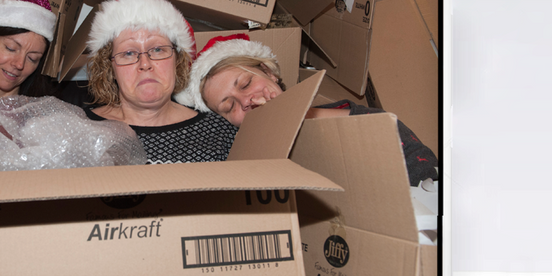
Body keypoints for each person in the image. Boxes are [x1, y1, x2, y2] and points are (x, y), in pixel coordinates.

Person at [176, 33, 440, 186]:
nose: (245, 100)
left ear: (269, 72)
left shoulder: (363, 120)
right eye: (228, 106)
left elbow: (427, 179)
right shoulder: (241, 158)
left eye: (246, 83)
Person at [80, 0, 238, 164]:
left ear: (177, 61)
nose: (145, 64)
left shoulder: (220, 135)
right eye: (129, 53)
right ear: (110, 68)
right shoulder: (80, 130)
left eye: (157, 49)